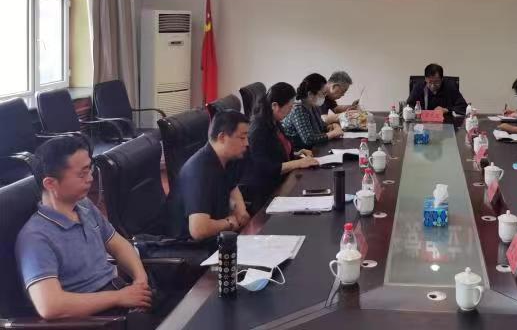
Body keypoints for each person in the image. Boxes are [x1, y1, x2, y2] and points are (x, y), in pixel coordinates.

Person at [15, 135, 153, 320]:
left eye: (90, 169)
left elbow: (119, 245)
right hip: (93, 318)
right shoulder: (36, 238)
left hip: (118, 296)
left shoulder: (84, 206)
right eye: (82, 174)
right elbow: (50, 306)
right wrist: (119, 298)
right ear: (50, 183)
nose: (90, 178)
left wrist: (140, 280)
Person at [172, 110, 251, 248]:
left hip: (214, 238)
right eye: (242, 138)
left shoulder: (225, 160)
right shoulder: (200, 171)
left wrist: (241, 209)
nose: (247, 143)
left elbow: (232, 186)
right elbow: (198, 230)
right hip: (188, 247)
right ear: (222, 137)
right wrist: (229, 223)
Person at [240, 82, 320, 214]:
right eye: (289, 107)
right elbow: (263, 169)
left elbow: (275, 151)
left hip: (282, 181)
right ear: (275, 106)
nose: (291, 110)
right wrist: (298, 163)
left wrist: (296, 154)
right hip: (266, 192)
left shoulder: (274, 121)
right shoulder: (258, 129)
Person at [282, 73, 345, 149]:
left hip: (313, 148)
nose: (325, 97)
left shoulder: (313, 105)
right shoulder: (298, 109)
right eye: (323, 94)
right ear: (310, 94)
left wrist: (333, 126)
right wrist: (333, 133)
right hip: (299, 152)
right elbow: (308, 139)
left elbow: (322, 127)